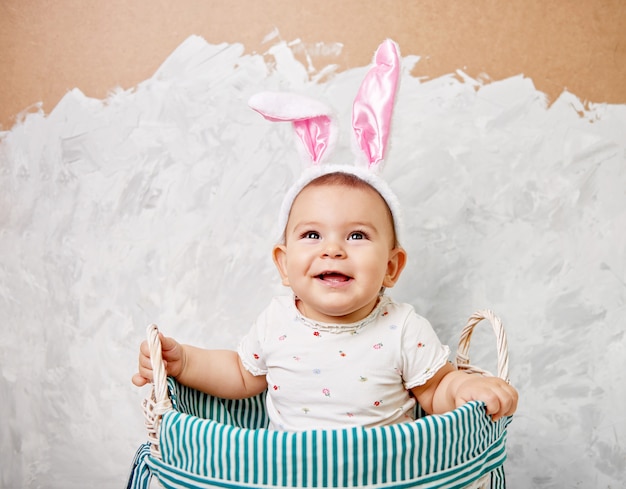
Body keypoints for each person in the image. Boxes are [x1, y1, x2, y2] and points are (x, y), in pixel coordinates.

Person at [132, 169, 518, 431]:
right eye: (312, 235)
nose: (332, 249)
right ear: (284, 265)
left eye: (357, 236)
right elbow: (240, 373)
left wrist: (464, 390)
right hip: (289, 478)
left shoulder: (403, 328)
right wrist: (185, 361)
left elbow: (434, 391)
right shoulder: (276, 321)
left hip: (384, 480)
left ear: (391, 267)